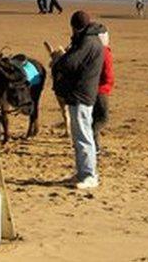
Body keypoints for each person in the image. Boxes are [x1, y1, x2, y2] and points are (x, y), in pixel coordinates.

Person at [52, 11, 105, 189]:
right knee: (79, 135)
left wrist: (59, 59)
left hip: (82, 93)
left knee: (83, 135)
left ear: (75, 27)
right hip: (81, 93)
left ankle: (90, 174)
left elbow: (70, 63)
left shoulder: (88, 42)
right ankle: (82, 171)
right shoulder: (89, 40)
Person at [92, 27, 114, 154]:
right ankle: (92, 143)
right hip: (100, 89)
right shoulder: (104, 51)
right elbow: (108, 72)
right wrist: (108, 84)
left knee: (95, 117)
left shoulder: (90, 49)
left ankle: (95, 146)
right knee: (102, 118)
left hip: (91, 88)